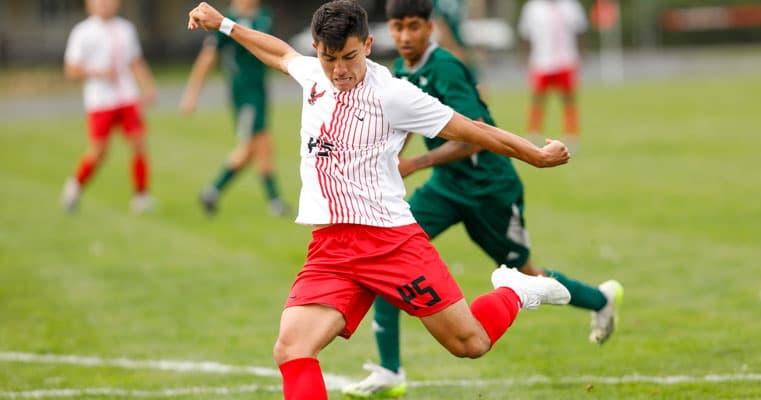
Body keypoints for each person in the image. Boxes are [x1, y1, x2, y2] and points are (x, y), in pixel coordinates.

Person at [188, 2, 572, 399]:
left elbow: (474, 130)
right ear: (317, 49)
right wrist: (225, 25)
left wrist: (537, 156)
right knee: (292, 347)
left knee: (469, 344)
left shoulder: (394, 95)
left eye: (349, 57)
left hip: (391, 243)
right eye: (328, 58)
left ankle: (516, 289)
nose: (339, 70)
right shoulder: (313, 76)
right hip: (331, 249)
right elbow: (281, 53)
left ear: (368, 45)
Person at [341, 1, 623, 397]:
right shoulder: (403, 71)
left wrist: (415, 162)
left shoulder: (446, 68)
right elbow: (405, 120)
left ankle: (600, 298)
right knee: (388, 259)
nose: (405, 37)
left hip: (489, 188)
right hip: (445, 188)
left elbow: (475, 133)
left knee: (527, 274)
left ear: (430, 26)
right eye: (398, 27)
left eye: (413, 27)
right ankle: (390, 372)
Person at [181, 0, 290, 217]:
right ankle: (215, 191)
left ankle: (270, 200)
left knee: (262, 144)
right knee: (253, 145)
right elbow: (207, 58)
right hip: (244, 95)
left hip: (260, 92)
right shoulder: (223, 21)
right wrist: (192, 94)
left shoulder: (264, 17)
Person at [61, 0, 157, 214]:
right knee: (99, 151)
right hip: (100, 100)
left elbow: (135, 61)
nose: (105, 4)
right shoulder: (83, 32)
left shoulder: (126, 29)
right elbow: (71, 70)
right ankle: (75, 186)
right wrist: (98, 72)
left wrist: (148, 86)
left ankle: (141, 196)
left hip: (127, 97)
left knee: (139, 143)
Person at [518, 0, 587, 146]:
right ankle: (534, 133)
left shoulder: (571, 6)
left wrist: (581, 55)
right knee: (538, 99)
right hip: (541, 61)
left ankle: (571, 134)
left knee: (568, 99)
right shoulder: (532, 7)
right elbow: (525, 36)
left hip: (566, 60)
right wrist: (525, 58)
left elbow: (580, 32)